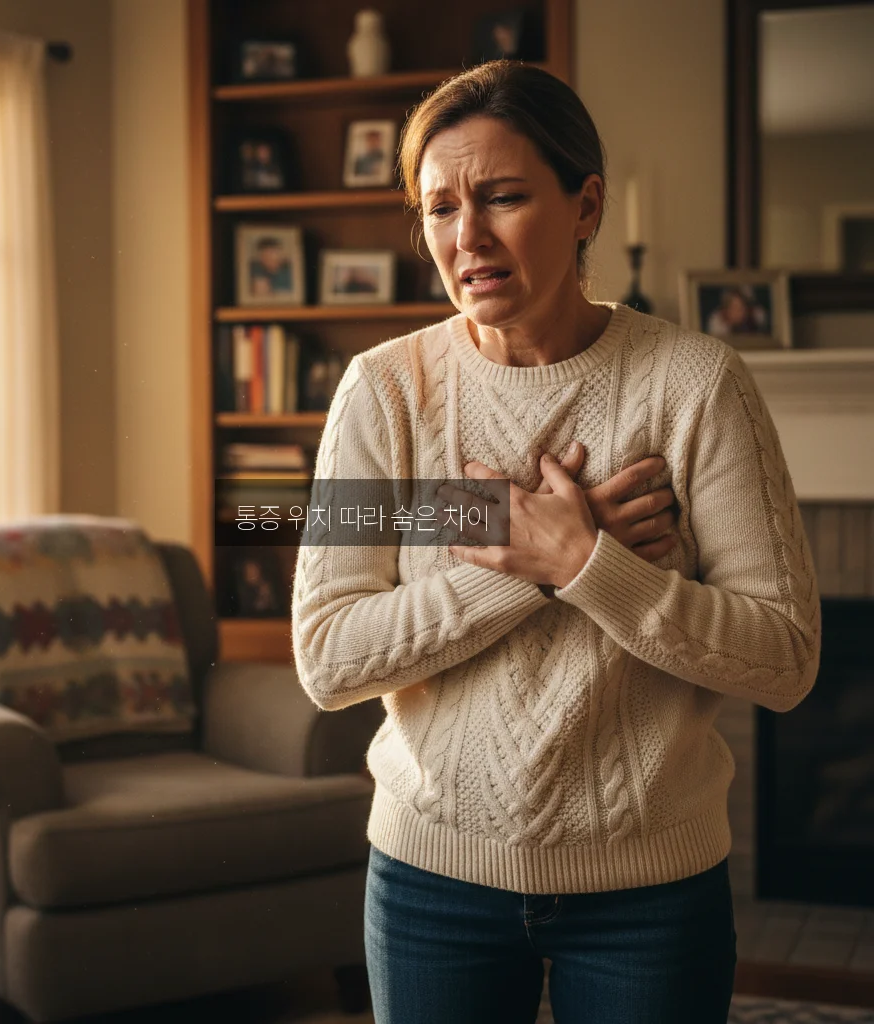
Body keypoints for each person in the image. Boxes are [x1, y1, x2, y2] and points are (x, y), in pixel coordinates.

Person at [290, 60, 820, 1024]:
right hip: (427, 883)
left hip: (648, 895)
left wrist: (588, 565)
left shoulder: (697, 385)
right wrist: (528, 565)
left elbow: (783, 659)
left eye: (500, 198)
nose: (467, 237)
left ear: (585, 206)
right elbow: (328, 656)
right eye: (440, 208)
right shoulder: (383, 392)